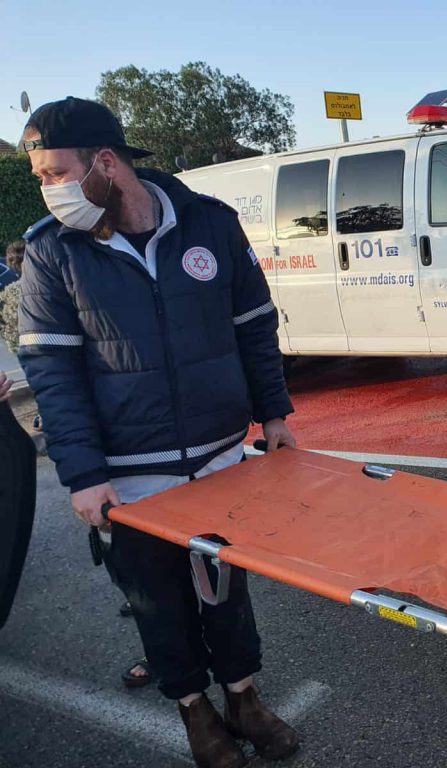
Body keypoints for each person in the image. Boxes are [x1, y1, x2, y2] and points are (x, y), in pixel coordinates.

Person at [18, 97, 298, 768]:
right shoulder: (51, 253)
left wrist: (277, 416)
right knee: (157, 604)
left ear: (106, 164)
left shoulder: (211, 226)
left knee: (225, 594)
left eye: (57, 173)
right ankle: (194, 712)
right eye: (40, 179)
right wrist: (83, 474)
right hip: (130, 473)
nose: (50, 190)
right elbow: (51, 372)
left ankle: (243, 696)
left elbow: (255, 328)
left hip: (223, 458)